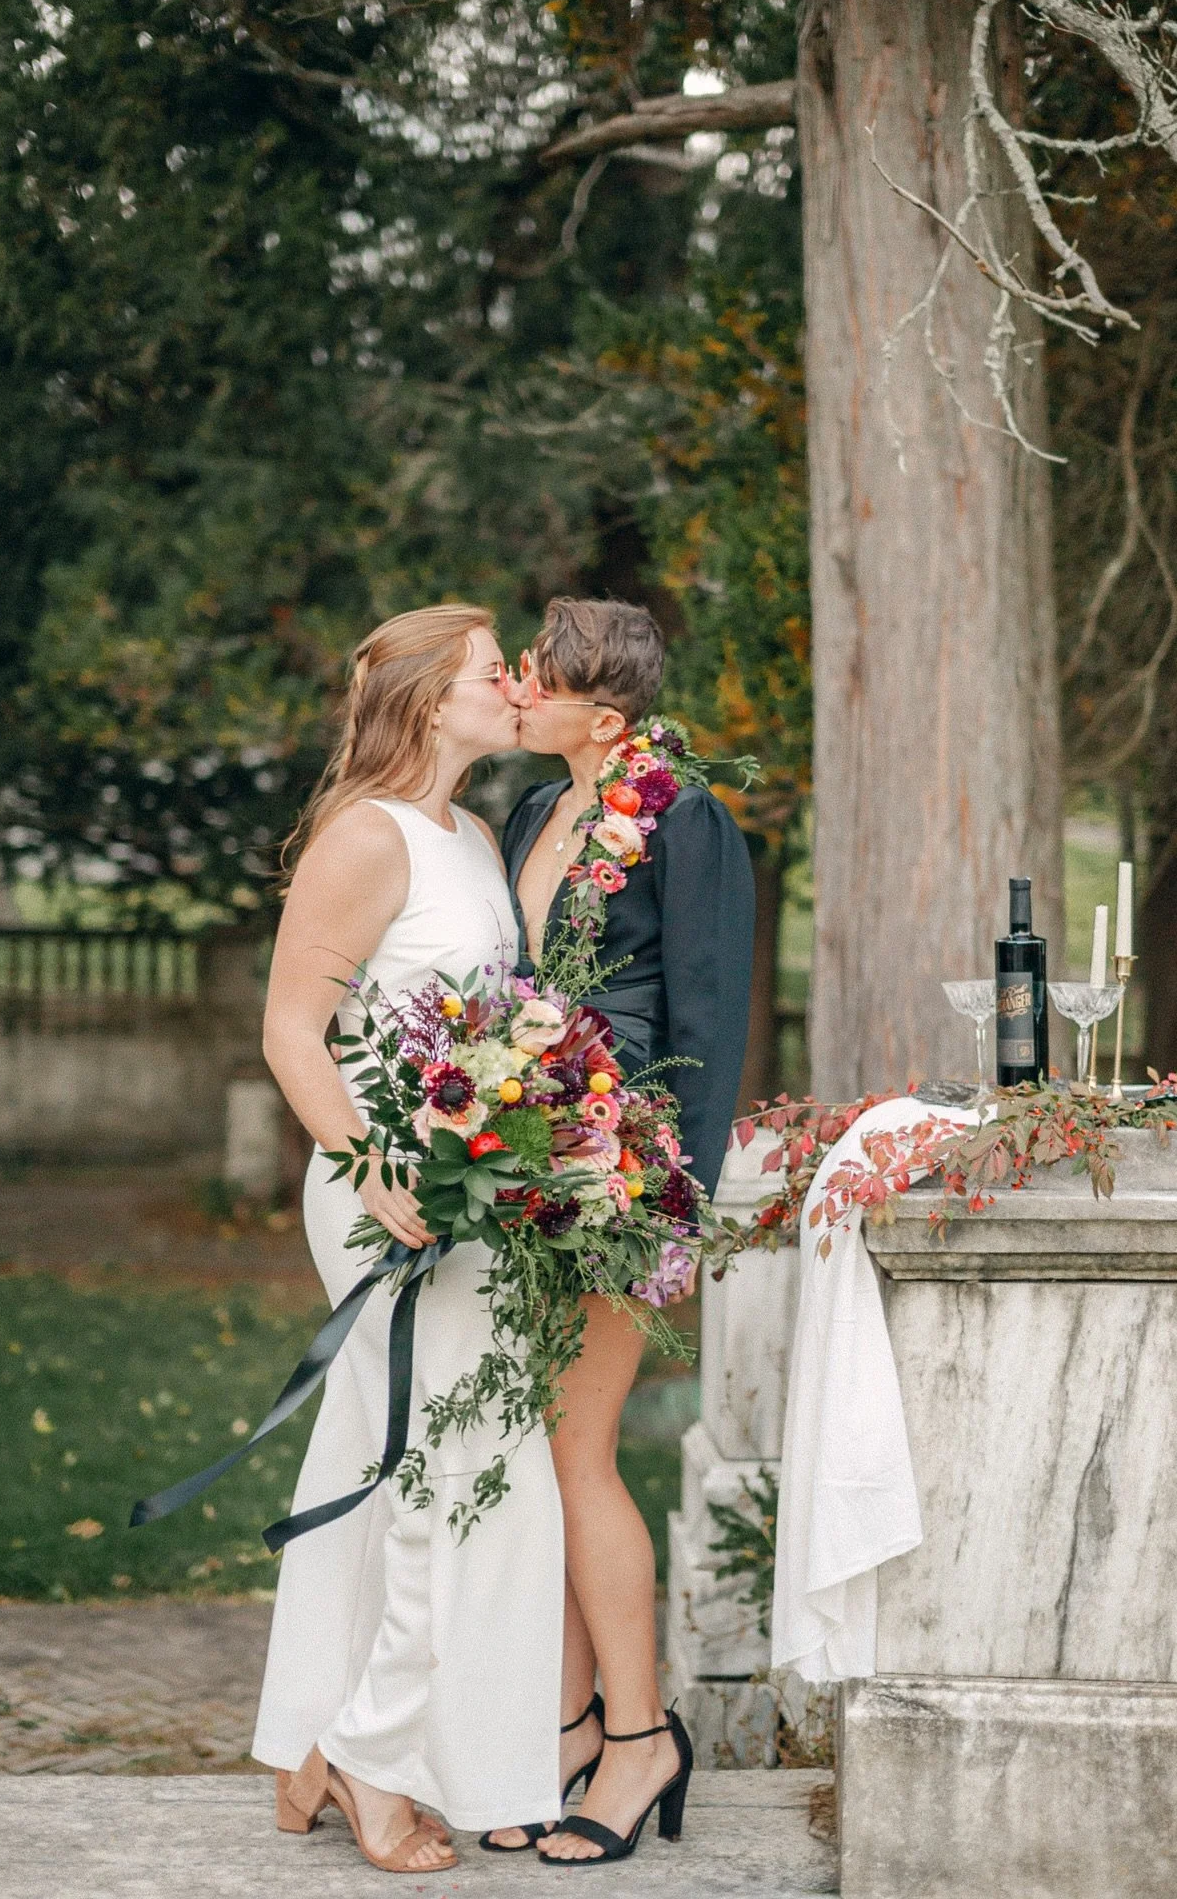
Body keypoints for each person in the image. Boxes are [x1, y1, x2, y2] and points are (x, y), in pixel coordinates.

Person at [250, 605, 565, 1875]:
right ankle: (380, 1762)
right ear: (437, 701)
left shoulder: (477, 835)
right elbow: (290, 1029)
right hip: (384, 1193)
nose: (516, 686)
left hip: (468, 1197)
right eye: (499, 673)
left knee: (390, 1463)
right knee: (456, 1460)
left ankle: (313, 1746)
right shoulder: (363, 837)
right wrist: (369, 1158)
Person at [488, 595, 755, 1864]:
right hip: (533, 1165)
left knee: (579, 1451)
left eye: (535, 679)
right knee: (547, 1455)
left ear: (605, 717)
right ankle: (571, 1726)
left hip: (626, 1175)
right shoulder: (536, 812)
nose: (516, 691)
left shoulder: (686, 820)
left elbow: (709, 1012)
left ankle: (640, 1737)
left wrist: (677, 1211)